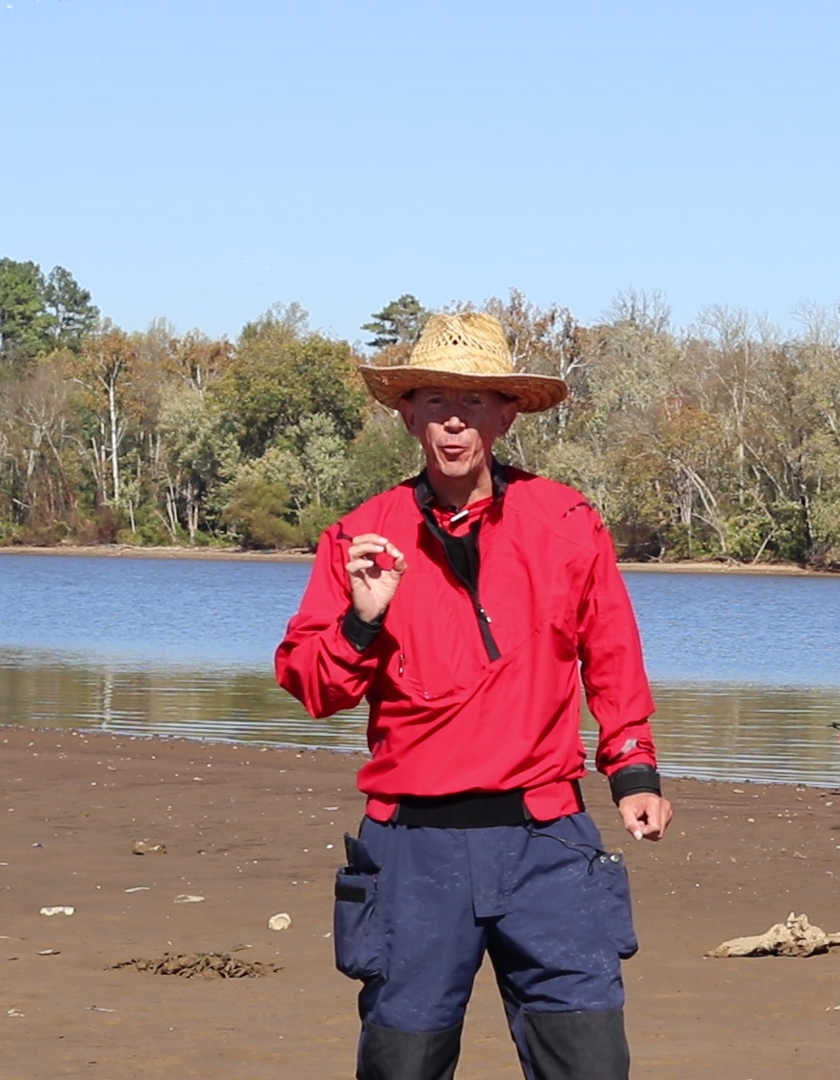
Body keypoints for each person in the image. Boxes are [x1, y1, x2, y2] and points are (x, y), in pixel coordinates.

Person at [276, 311, 671, 1080]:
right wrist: (363, 620)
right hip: (410, 852)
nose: (453, 421)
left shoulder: (565, 520)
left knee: (591, 1063)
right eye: (433, 402)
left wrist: (632, 767)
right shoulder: (362, 537)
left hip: (546, 843)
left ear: (506, 413)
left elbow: (612, 653)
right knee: (403, 1064)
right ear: (407, 413)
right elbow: (311, 685)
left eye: (474, 403)